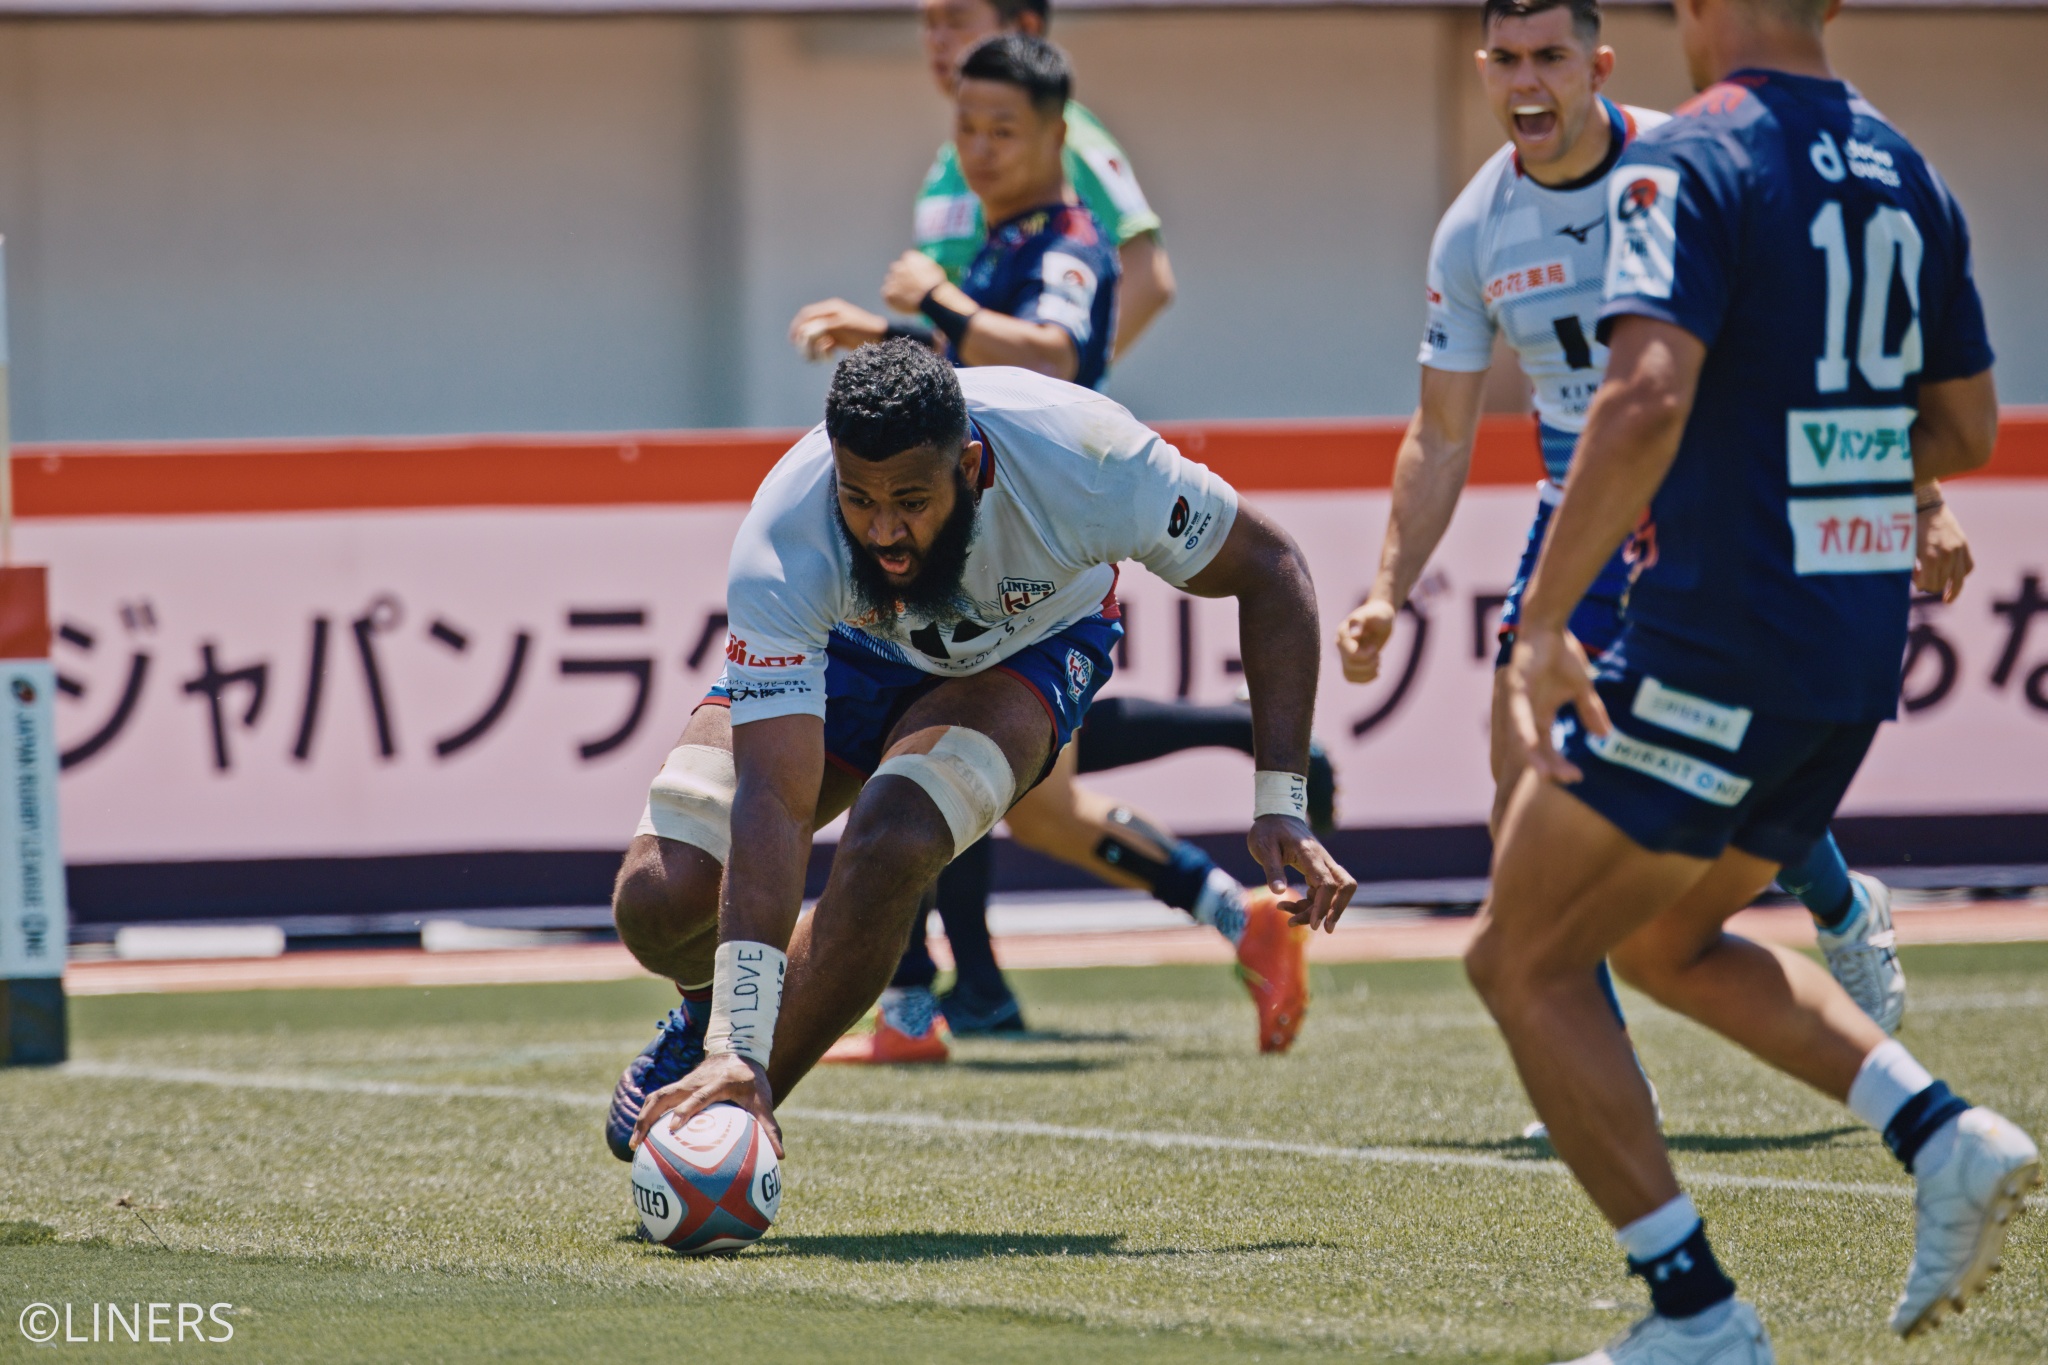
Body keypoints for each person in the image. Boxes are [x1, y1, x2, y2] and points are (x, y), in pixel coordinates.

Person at [1471, 0, 2036, 1354]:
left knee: (1520, 958)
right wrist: (1813, 444)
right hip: (1851, 643)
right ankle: (1939, 1133)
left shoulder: (1689, 156)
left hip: (1715, 631)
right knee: (1661, 940)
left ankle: (1697, 1316)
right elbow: (1965, 426)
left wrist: (1542, 622)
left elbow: (1644, 396)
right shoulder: (1907, 167)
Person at [1334, 0, 1970, 1038]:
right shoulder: (1473, 228)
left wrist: (1924, 497)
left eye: (1549, 56)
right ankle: (1592, 1065)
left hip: (1716, 511)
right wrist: (1384, 590)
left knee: (1733, 767)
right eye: (1505, 59)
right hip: (1582, 520)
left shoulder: (1690, 163)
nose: (1525, 82)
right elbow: (1440, 434)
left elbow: (1822, 350)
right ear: (1483, 69)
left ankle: (1842, 907)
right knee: (1524, 784)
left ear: (1599, 65)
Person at [603, 340, 1356, 1168]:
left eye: (911, 501)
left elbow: (1271, 566)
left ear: (968, 467)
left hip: (1027, 649)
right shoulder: (787, 529)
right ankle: (708, 1020)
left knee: (895, 838)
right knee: (660, 896)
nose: (885, 532)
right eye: (859, 500)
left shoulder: (1087, 457)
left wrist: (1281, 800)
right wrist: (733, 1031)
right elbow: (775, 798)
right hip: (855, 647)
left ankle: (735, 1111)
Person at [791, 34, 1323, 1057]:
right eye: (966, 129)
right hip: (985, 535)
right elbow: (972, 375)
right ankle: (1236, 919)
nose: (980, 150)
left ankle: (911, 1009)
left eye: (1003, 131)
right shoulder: (1003, 240)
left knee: (923, 756)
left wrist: (936, 302)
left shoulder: (1067, 240)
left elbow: (1057, 355)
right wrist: (888, 338)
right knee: (1029, 806)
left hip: (1032, 540)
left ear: (1055, 137)